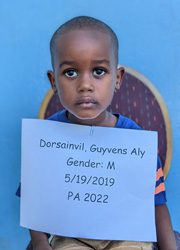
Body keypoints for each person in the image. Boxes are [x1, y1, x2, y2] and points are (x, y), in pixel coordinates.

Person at [28, 16, 176, 250]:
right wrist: (39, 243)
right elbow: (34, 201)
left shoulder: (134, 140)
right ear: (53, 81)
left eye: (98, 71)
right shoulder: (47, 140)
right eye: (70, 73)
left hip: (127, 234)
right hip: (71, 236)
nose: (85, 84)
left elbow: (156, 203)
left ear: (117, 79)